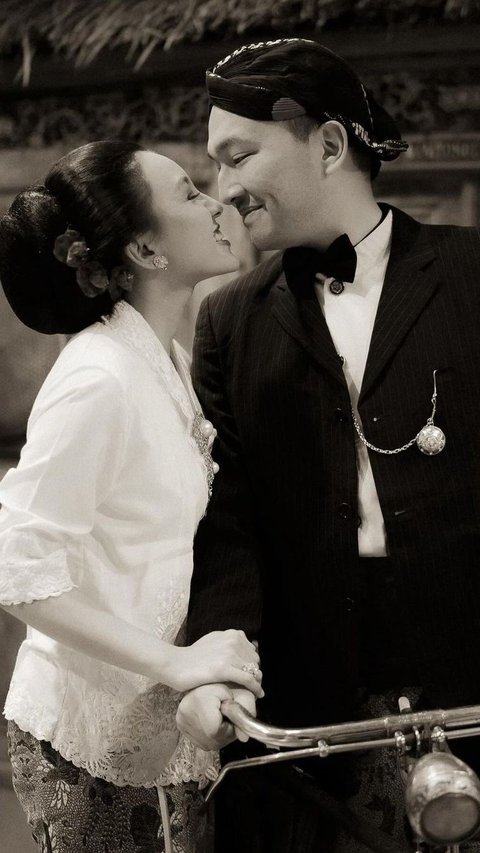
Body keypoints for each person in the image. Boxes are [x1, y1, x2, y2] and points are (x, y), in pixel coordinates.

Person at [176, 38, 480, 852]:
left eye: (238, 156)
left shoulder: (470, 272)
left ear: (332, 144)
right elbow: (226, 522)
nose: (223, 188)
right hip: (313, 715)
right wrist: (218, 661)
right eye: (212, 164)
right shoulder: (228, 318)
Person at [0, 139, 264, 853]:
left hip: (158, 721)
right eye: (189, 193)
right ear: (146, 251)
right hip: (82, 736)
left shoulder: (166, 356)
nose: (219, 203)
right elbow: (18, 571)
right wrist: (176, 662)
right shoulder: (98, 377)